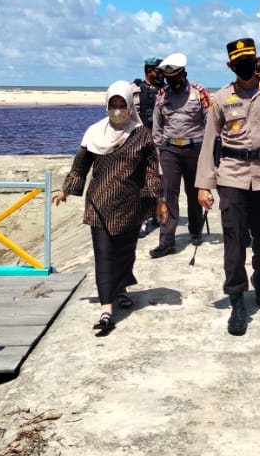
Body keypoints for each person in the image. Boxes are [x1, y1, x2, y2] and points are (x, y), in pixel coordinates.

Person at [196, 38, 260, 336]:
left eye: (249, 61)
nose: (245, 67)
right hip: (232, 176)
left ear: (257, 59)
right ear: (230, 65)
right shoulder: (221, 98)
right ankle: (237, 299)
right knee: (234, 239)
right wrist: (204, 184)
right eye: (238, 63)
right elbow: (209, 141)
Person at [52, 80, 168, 333]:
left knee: (125, 254)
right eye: (112, 105)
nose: (117, 110)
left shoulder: (141, 135)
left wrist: (159, 201)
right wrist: (66, 190)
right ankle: (107, 308)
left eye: (121, 105)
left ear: (129, 107)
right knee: (104, 255)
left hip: (130, 206)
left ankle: (121, 289)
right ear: (106, 106)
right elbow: (80, 165)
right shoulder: (94, 133)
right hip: (99, 205)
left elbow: (151, 173)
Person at [150, 52, 211, 258]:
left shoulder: (199, 93)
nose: (172, 82)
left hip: (195, 149)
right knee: (169, 194)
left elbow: (209, 123)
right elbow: (157, 126)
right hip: (169, 150)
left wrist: (208, 154)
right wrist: (159, 152)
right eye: (169, 78)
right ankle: (166, 241)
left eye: (176, 77)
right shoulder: (162, 95)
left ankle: (195, 231)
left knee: (194, 193)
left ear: (184, 73)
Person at [132, 56, 164, 237]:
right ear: (149, 70)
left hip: (160, 140)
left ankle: (157, 212)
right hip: (140, 139)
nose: (161, 75)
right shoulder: (135, 89)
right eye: (158, 71)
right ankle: (142, 219)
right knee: (141, 180)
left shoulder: (166, 90)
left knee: (160, 178)